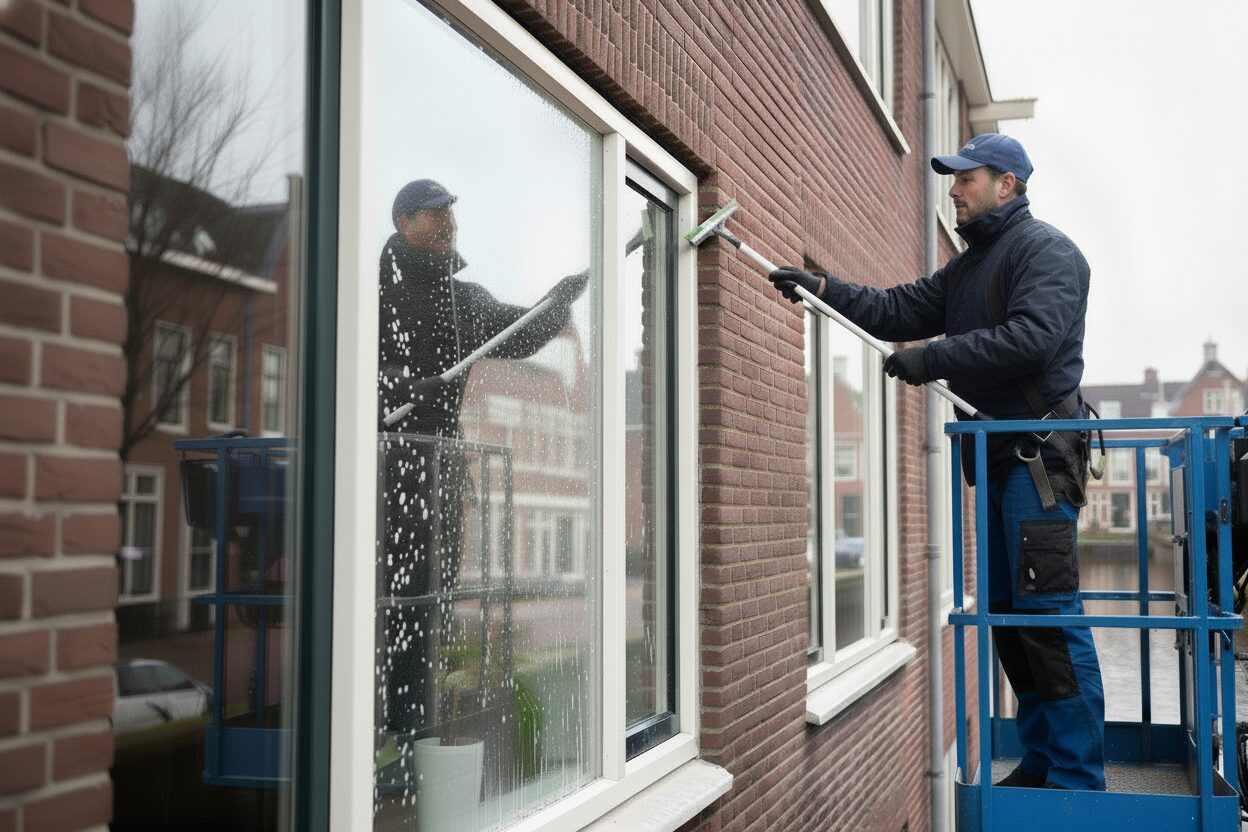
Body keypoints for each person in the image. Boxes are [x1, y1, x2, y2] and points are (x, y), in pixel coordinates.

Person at [768, 133, 1104, 792]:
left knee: (1048, 614)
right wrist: (822, 288)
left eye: (966, 178)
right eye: (952, 179)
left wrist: (935, 357)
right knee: (1010, 617)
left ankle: (1077, 775)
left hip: (1039, 460)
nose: (953, 190)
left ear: (1008, 184)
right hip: (1003, 460)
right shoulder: (966, 270)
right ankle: (1042, 759)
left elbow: (1033, 341)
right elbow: (895, 309)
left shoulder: (1047, 253)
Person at [375, 179, 587, 745]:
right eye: (435, 215)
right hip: (378, 465)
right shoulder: (371, 292)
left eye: (451, 216)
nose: (449, 224)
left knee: (431, 593)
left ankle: (410, 729)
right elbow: (342, 365)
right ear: (404, 223)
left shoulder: (461, 300)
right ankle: (375, 723)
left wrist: (560, 297)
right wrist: (397, 386)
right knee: (381, 592)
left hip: (438, 470)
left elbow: (519, 335)